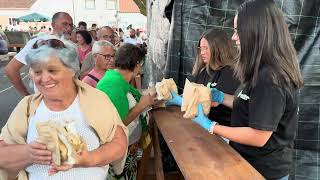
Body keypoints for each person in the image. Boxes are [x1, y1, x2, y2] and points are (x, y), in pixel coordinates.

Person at [192, 0, 304, 179]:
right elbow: (249, 103)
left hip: (263, 171)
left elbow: (259, 136)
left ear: (255, 32)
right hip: (246, 162)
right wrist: (221, 97)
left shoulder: (270, 78)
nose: (233, 38)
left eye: (237, 31)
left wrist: (211, 126)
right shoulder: (259, 69)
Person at [0, 37, 128, 180]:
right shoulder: (28, 107)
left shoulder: (97, 100)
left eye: (52, 70)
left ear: (71, 70)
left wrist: (88, 159)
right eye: (37, 72)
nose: (44, 78)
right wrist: (28, 153)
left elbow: (119, 143)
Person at [97, 43, 157, 180]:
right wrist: (141, 106)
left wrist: (149, 100)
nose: (141, 67)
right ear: (136, 64)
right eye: (140, 64)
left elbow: (136, 96)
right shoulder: (114, 86)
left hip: (127, 147)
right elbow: (117, 125)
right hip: (117, 151)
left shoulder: (118, 79)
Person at [168, 28, 240, 126]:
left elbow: (209, 104)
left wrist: (180, 101)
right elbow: (195, 97)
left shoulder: (229, 74)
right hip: (204, 126)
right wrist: (178, 98)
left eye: (206, 48)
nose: (202, 52)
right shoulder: (203, 72)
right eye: (201, 48)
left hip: (222, 129)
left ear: (218, 48)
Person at [4, 12, 74, 96]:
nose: (69, 28)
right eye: (65, 24)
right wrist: (26, 95)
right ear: (53, 25)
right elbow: (11, 69)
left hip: (69, 99)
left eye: (71, 25)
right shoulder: (39, 42)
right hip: (46, 101)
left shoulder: (71, 45)